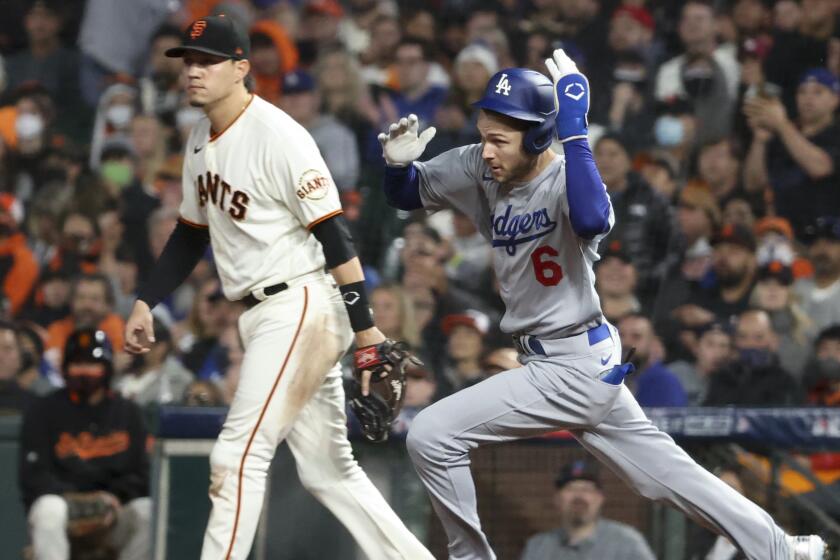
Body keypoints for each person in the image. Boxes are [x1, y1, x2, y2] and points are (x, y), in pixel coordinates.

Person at [378, 48, 825, 559]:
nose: (488, 151)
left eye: (500, 140)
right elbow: (408, 195)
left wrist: (575, 131)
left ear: (540, 136)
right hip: (574, 358)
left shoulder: (571, 177)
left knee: (431, 435)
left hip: (568, 362)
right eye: (484, 136)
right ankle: (781, 549)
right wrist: (396, 167)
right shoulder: (482, 165)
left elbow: (591, 219)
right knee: (667, 476)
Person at [122, 17, 432, 560]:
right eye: (188, 61)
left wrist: (367, 330)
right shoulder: (199, 138)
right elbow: (190, 236)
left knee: (235, 457)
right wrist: (146, 299)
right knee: (328, 471)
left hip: (300, 304)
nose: (193, 71)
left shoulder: (279, 135)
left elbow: (336, 236)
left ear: (242, 68)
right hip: (267, 312)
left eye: (207, 61)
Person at [19, 328, 151, 560]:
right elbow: (34, 476)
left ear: (108, 368)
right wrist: (75, 499)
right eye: (78, 363)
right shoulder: (44, 409)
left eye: (92, 364)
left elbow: (141, 475)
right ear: (65, 368)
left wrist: (114, 498)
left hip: (112, 515)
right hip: (65, 512)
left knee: (146, 512)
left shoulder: (127, 411)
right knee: (48, 509)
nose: (84, 372)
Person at [520, 459, 655, 560]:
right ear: (557, 499)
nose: (579, 496)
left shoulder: (626, 542)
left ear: (600, 498)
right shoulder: (539, 546)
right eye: (571, 488)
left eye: (587, 489)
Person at [704, 309, 802, 406]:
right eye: (742, 336)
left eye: (759, 337)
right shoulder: (722, 378)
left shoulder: (785, 382)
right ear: (735, 340)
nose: (750, 344)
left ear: (773, 340)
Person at [617, 314, 687, 407]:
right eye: (620, 335)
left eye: (636, 336)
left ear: (653, 342)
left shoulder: (665, 383)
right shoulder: (604, 379)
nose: (626, 342)